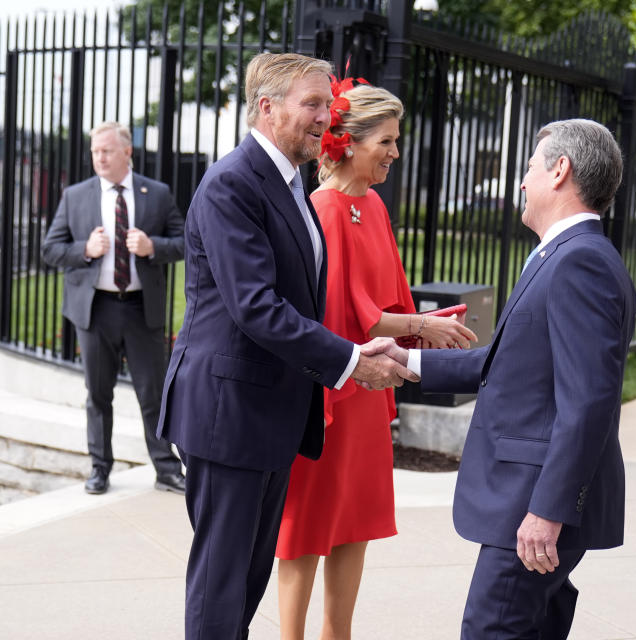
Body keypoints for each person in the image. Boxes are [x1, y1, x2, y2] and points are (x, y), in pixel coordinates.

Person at [156, 52, 416, 640]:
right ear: (268, 108)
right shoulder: (232, 184)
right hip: (228, 415)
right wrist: (351, 361)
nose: (327, 116)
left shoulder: (290, 182)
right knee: (222, 585)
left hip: (271, 416)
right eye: (313, 104)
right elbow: (256, 307)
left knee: (248, 583)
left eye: (328, 103)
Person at [372, 118, 636, 638]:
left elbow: (588, 403)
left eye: (531, 166)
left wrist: (548, 510)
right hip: (529, 498)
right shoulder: (562, 255)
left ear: (560, 170)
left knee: (492, 629)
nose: (521, 180)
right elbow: (514, 365)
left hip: (533, 503)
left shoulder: (579, 262)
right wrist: (407, 362)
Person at [274, 80, 477, 640]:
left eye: (395, 140)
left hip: (367, 395)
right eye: (384, 141)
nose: (393, 152)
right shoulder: (324, 210)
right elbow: (343, 319)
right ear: (347, 142)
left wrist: (424, 326)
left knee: (353, 521)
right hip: (331, 391)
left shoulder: (373, 206)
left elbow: (386, 305)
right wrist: (419, 325)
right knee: (309, 524)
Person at [41, 121, 186, 496]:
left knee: (153, 393)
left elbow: (185, 241)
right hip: (96, 310)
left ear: (127, 153)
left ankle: (166, 468)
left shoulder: (156, 193)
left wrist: (152, 246)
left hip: (141, 309)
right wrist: (84, 251)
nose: (99, 157)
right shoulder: (76, 196)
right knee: (98, 394)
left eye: (106, 150)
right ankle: (100, 468)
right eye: (94, 151)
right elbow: (50, 249)